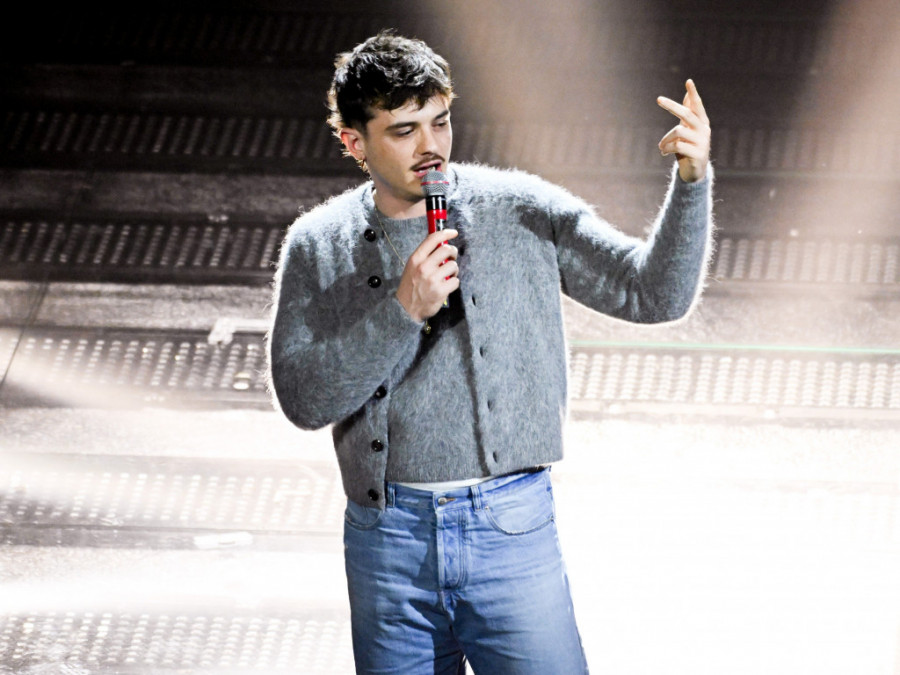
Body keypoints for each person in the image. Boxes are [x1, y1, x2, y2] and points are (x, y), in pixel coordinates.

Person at [268, 30, 712, 675]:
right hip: (387, 542)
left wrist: (692, 182)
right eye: (403, 130)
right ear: (354, 142)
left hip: (510, 528)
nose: (430, 146)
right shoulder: (318, 242)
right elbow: (304, 402)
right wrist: (402, 311)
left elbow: (653, 294)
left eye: (440, 122)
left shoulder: (521, 209)